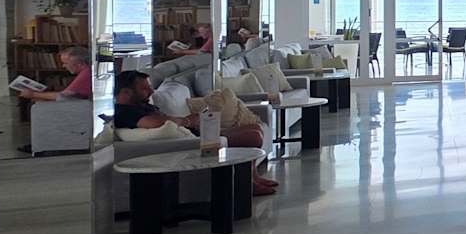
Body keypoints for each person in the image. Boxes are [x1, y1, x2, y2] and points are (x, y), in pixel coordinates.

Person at [113, 71, 275, 195]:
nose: (151, 91)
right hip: (194, 142)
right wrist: (187, 121)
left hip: (194, 134)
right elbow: (155, 122)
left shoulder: (140, 105)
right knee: (253, 136)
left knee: (255, 128)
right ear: (126, 92)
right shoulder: (124, 112)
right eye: (145, 88)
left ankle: (253, 177)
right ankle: (248, 184)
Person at [17, 46, 93, 101]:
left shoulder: (86, 73)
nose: (63, 66)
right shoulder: (88, 70)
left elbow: (63, 97)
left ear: (79, 64)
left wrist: (33, 94)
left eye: (66, 63)